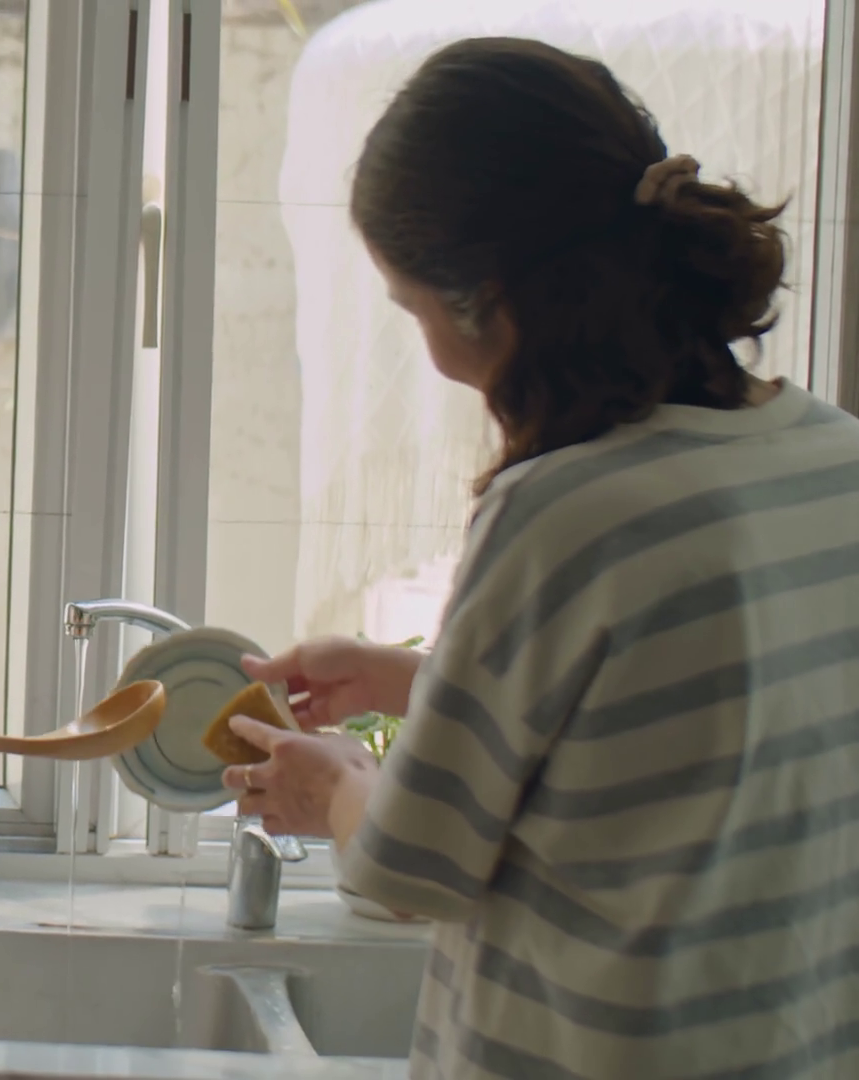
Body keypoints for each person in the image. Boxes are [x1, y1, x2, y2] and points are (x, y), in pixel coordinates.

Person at [219, 37, 859, 1080]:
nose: (428, 348)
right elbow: (678, 732)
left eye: (413, 308)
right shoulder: (834, 457)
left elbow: (410, 867)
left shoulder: (562, 511)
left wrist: (338, 787)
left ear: (489, 300)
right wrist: (417, 682)